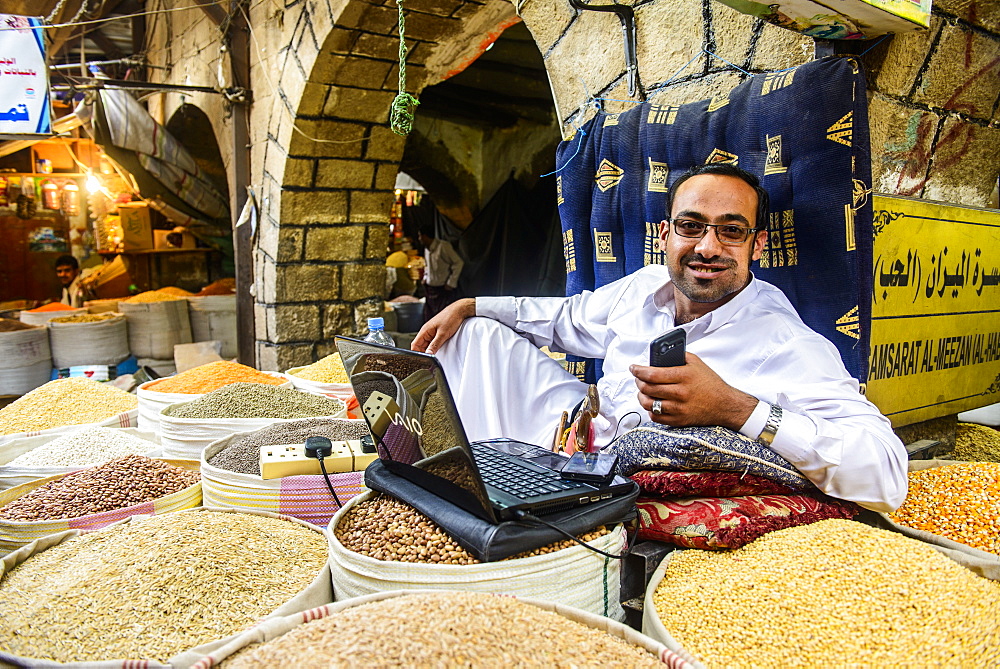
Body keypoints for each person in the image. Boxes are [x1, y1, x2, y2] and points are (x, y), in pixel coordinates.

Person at [412, 163, 908, 513]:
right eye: (691, 226)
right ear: (666, 235)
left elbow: (886, 472)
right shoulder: (644, 286)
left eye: (731, 232)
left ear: (756, 245)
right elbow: (565, 318)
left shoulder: (784, 342)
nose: (707, 247)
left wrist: (736, 409)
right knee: (474, 337)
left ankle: (504, 500)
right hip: (574, 435)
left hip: (623, 486)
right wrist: (471, 305)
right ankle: (468, 486)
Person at [418, 227, 464, 321]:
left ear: (425, 236)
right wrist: (426, 277)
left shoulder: (443, 246)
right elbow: (427, 265)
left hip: (443, 289)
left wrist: (451, 282)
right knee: (429, 318)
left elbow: (458, 263)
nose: (419, 239)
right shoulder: (427, 249)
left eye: (420, 236)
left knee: (442, 319)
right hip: (430, 289)